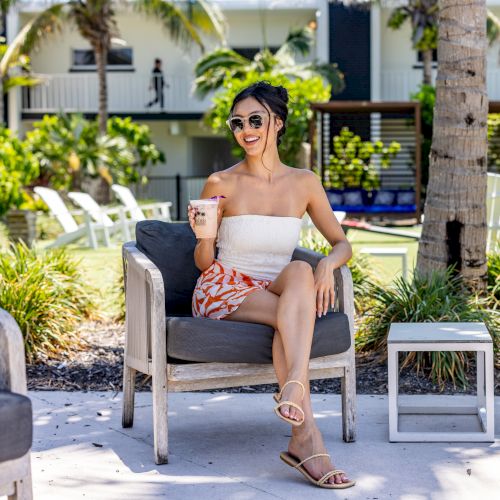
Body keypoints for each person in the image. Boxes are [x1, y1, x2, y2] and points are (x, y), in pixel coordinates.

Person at [187, 81, 355, 489]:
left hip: (279, 285)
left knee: (300, 270)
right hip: (224, 286)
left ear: (277, 123)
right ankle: (306, 435)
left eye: (256, 120)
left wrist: (327, 266)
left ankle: (296, 402)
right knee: (290, 315)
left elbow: (342, 243)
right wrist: (204, 236)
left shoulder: (304, 182)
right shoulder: (219, 181)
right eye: (238, 122)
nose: (246, 129)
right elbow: (204, 263)